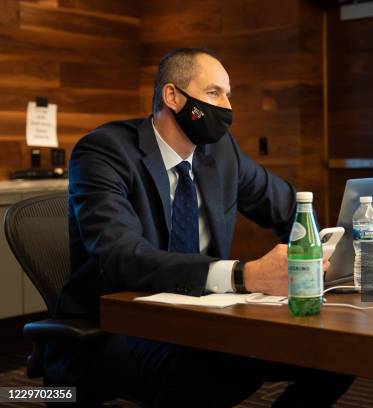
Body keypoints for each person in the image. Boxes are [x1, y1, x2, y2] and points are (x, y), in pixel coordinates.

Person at [45, 47, 353, 407]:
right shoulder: (104, 152)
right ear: (172, 96)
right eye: (213, 93)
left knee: (336, 353)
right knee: (213, 373)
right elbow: (122, 258)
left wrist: (328, 255)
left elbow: (289, 207)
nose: (226, 106)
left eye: (228, 95)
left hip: (202, 318)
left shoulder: (221, 152)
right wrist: (244, 275)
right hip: (117, 326)